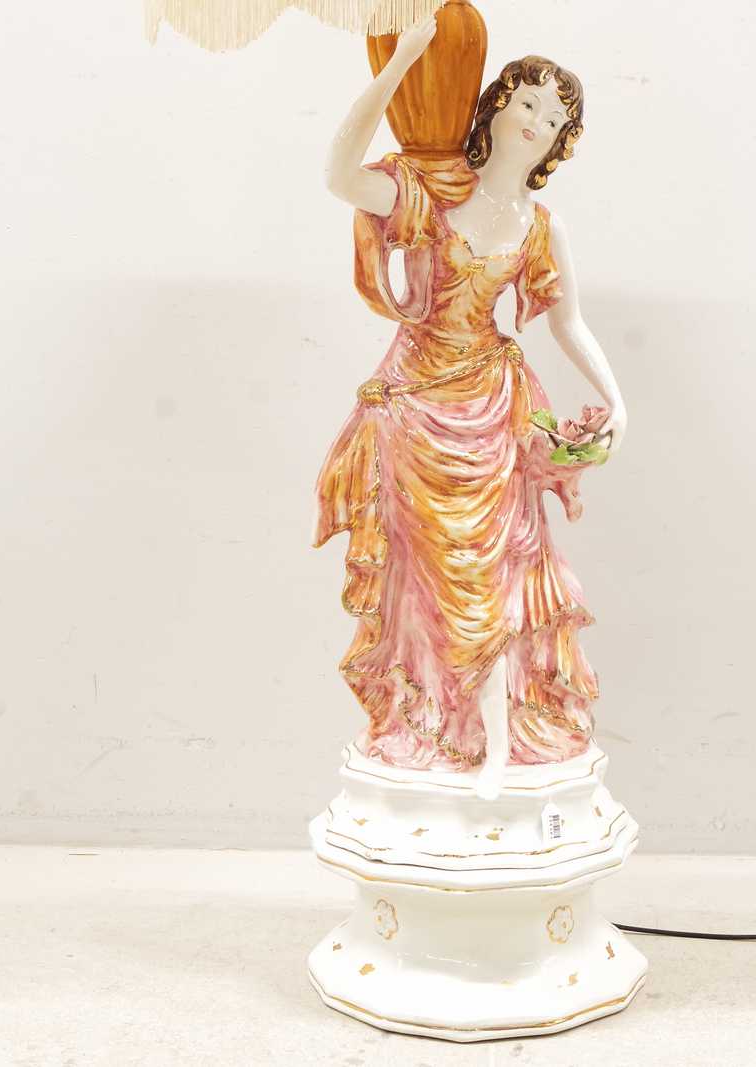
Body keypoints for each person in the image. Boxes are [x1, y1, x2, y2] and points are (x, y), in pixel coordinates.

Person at [315, 16, 627, 799]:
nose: (538, 122)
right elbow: (340, 175)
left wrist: (615, 399)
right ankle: (431, 725)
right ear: (494, 105)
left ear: (559, 144)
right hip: (415, 413)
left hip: (493, 413)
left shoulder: (541, 228)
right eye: (528, 102)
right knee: (426, 586)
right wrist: (400, 65)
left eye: (555, 118)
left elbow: (569, 322)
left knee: (496, 576)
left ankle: (495, 742)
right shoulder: (427, 189)